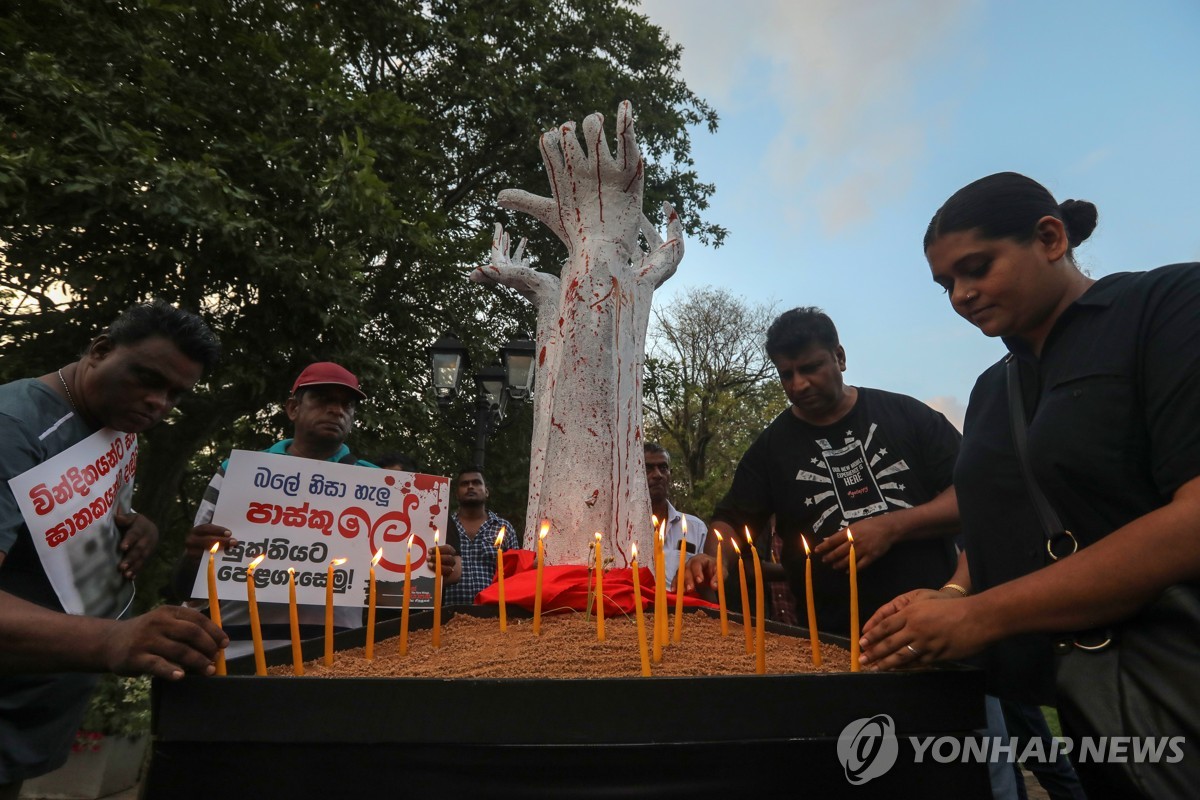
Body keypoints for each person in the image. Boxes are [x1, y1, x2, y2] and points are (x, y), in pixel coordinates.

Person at [860, 172, 1200, 799]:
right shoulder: (994, 390)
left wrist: (983, 617)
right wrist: (951, 595)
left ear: (1049, 238)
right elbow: (1001, 521)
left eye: (976, 268)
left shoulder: (1167, 306)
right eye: (946, 285)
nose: (961, 295)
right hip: (1083, 694)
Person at [0, 300, 228, 793]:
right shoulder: (13, 430)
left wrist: (136, 525)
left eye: (174, 394)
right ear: (100, 351)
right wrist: (111, 640)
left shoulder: (116, 429)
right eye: (146, 378)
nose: (157, 403)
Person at [685, 308, 962, 639]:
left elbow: (973, 494)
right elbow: (732, 518)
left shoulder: (907, 415)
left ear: (839, 357)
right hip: (833, 642)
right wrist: (715, 560)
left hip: (935, 625)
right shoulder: (772, 448)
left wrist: (891, 527)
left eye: (810, 368)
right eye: (786, 374)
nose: (799, 384)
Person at [171, 362, 460, 655]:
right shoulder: (236, 474)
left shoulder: (386, 490)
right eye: (323, 400)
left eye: (347, 405)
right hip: (236, 656)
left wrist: (431, 568)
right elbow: (185, 583)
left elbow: (402, 589)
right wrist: (195, 556)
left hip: (338, 661)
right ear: (293, 408)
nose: (337, 411)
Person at [442, 467, 516, 606]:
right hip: (449, 614)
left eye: (476, 483)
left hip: (494, 613)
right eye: (464, 484)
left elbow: (515, 573)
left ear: (486, 491)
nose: (470, 486)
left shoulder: (503, 528)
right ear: (457, 494)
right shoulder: (444, 527)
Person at [644, 442, 707, 586]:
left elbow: (706, 583)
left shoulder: (696, 528)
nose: (658, 475)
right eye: (648, 468)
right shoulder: (622, 530)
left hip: (685, 607)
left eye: (663, 467)